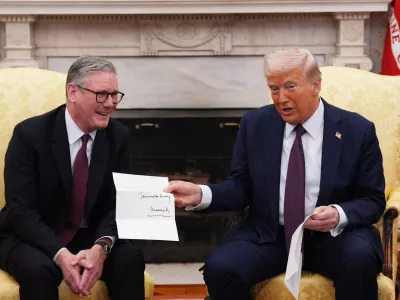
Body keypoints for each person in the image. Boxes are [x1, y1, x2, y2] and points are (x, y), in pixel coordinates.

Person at [164, 48, 386, 300]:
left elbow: (372, 200)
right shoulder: (255, 124)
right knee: (221, 268)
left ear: (316, 86)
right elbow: (241, 186)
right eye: (274, 89)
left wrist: (338, 214)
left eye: (290, 87)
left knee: (359, 259)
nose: (281, 98)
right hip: (271, 235)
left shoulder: (357, 130)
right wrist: (200, 194)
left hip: (334, 237)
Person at [0, 56, 145, 299]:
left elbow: (117, 202)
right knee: (38, 269)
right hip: (31, 234)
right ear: (73, 92)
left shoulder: (118, 136)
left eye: (114, 95)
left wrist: (101, 247)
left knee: (129, 258)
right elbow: (21, 210)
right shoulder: (30, 135)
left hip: (89, 234)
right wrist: (60, 254)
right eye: (101, 94)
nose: (110, 103)